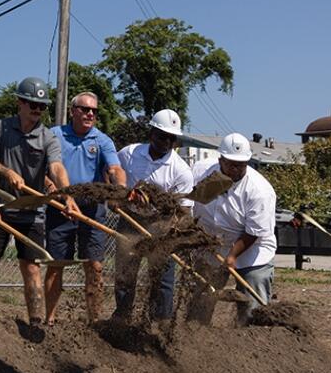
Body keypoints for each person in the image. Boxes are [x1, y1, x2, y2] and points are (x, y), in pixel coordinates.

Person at [0, 77, 75, 324]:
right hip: (0, 208)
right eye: (32, 104)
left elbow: (56, 167)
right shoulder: (1, 128)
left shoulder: (48, 138)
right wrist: (7, 171)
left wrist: (67, 194)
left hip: (31, 211)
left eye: (42, 106)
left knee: (31, 267)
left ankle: (35, 323)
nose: (37, 110)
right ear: (19, 102)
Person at [45, 92, 125, 324]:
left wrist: (120, 189)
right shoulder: (55, 135)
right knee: (56, 264)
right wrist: (50, 185)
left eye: (94, 111)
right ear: (73, 111)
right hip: (60, 208)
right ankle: (49, 320)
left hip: (91, 209)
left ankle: (94, 321)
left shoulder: (102, 141)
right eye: (85, 109)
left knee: (95, 265)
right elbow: (41, 168)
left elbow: (114, 169)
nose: (90, 114)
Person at [112, 109, 194, 321]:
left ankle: (160, 322)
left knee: (162, 278)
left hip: (162, 225)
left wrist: (166, 231)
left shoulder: (181, 170)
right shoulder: (130, 153)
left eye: (171, 138)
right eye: (162, 136)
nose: (166, 141)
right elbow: (113, 173)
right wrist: (118, 197)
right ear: (151, 134)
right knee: (125, 273)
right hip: (131, 220)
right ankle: (122, 317)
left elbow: (183, 210)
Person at [189, 132, 277, 325]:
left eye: (241, 164)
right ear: (221, 159)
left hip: (251, 250)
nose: (236, 169)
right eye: (231, 163)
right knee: (201, 297)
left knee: (253, 300)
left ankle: (252, 337)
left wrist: (232, 256)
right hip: (211, 245)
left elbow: (254, 232)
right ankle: (195, 334)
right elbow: (189, 203)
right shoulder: (201, 171)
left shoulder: (260, 191)